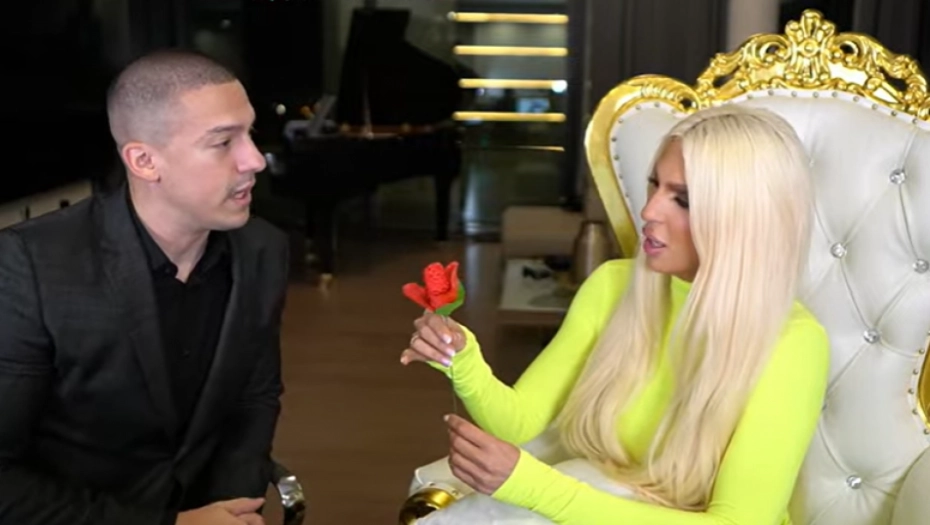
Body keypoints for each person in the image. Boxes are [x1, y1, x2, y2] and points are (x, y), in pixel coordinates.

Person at [401, 105, 831, 525]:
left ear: (743, 220)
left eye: (682, 199)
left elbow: (740, 521)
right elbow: (520, 422)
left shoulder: (795, 344)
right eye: (654, 185)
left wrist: (532, 487)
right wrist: (463, 361)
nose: (649, 211)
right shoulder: (612, 286)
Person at [0, 49, 289, 525]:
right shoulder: (30, 265)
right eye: (223, 142)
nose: (255, 159)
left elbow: (254, 399)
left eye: (250, 134)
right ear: (144, 160)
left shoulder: (263, 249)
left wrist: (233, 508)